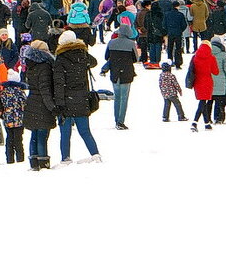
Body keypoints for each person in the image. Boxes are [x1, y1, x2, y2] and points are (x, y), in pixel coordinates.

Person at [52, 30, 101, 165]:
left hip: (67, 100)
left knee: (65, 133)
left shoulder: (61, 59)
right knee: (85, 131)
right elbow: (94, 62)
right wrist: (82, 49)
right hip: (82, 98)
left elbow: (59, 83)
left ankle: (65, 158)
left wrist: (59, 103)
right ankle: (95, 154)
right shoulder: (83, 55)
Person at [23, 40, 56, 170]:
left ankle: (34, 162)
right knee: (42, 135)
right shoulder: (45, 67)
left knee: (34, 135)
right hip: (42, 105)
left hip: (31, 102)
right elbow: (45, 89)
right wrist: (52, 107)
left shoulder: (30, 65)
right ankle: (43, 163)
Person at [103, 25, 140, 130]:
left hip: (115, 73)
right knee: (124, 98)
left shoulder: (111, 42)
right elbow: (135, 59)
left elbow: (106, 57)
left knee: (117, 97)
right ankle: (121, 121)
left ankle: (116, 120)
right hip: (127, 72)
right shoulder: (131, 44)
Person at [188, 40, 220, 132]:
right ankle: (194, 122)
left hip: (197, 82)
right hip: (207, 82)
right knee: (202, 103)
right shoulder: (211, 57)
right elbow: (216, 72)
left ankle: (207, 124)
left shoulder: (195, 57)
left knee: (203, 102)